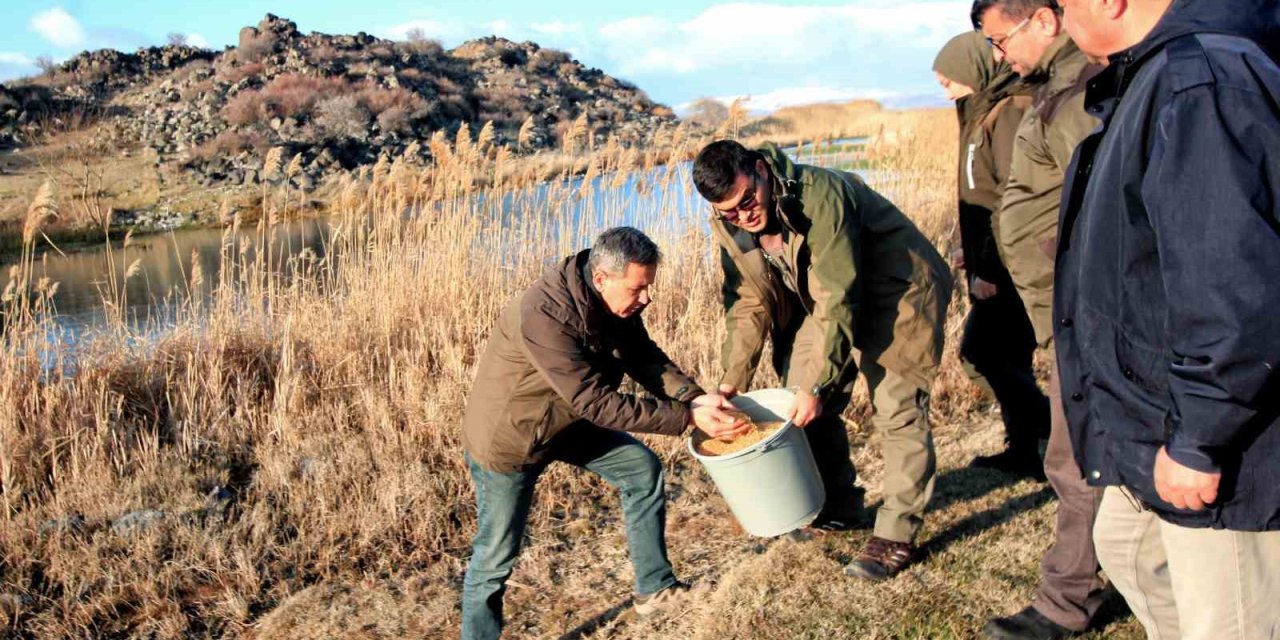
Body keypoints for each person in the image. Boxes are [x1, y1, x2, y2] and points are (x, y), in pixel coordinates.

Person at [1054, 0, 1280, 638]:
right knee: (1128, 551)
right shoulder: (1151, 79)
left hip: (1224, 454)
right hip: (1151, 422)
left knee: (1231, 620)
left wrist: (1200, 440)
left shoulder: (1197, 83)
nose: (1060, 22)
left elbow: (1234, 288)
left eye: (1062, 6)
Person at [459, 226, 748, 640]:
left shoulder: (614, 304)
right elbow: (595, 403)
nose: (646, 297)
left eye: (648, 286)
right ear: (601, 279)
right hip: (512, 439)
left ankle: (655, 588)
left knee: (640, 470)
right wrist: (686, 419)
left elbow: (643, 357)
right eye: (638, 288)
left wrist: (696, 399)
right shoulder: (545, 315)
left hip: (565, 422)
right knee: (495, 558)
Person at [692, 139, 953, 581]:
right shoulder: (730, 223)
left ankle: (896, 536)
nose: (744, 216)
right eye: (729, 212)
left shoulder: (820, 194)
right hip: (831, 302)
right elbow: (747, 302)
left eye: (747, 201)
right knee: (798, 403)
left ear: (760, 170)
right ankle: (838, 506)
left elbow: (840, 294)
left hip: (897, 290)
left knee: (897, 408)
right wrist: (729, 383)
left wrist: (820, 384)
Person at [972, 1, 1109, 638]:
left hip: (1087, 315)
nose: (999, 54)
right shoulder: (1053, 88)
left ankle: (1067, 603)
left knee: (1076, 459)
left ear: (1046, 20)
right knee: (1076, 457)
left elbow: (1111, 204)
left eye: (1002, 39)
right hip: (1063, 314)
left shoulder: (1084, 89)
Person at [933, 31, 1049, 481]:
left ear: (974, 68)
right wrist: (972, 248)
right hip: (993, 258)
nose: (944, 87)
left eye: (948, 77)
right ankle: (1024, 450)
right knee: (1005, 359)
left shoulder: (1010, 113)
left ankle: (1059, 432)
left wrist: (990, 267)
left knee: (984, 356)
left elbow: (1010, 200)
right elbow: (980, 191)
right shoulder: (980, 111)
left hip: (1010, 265)